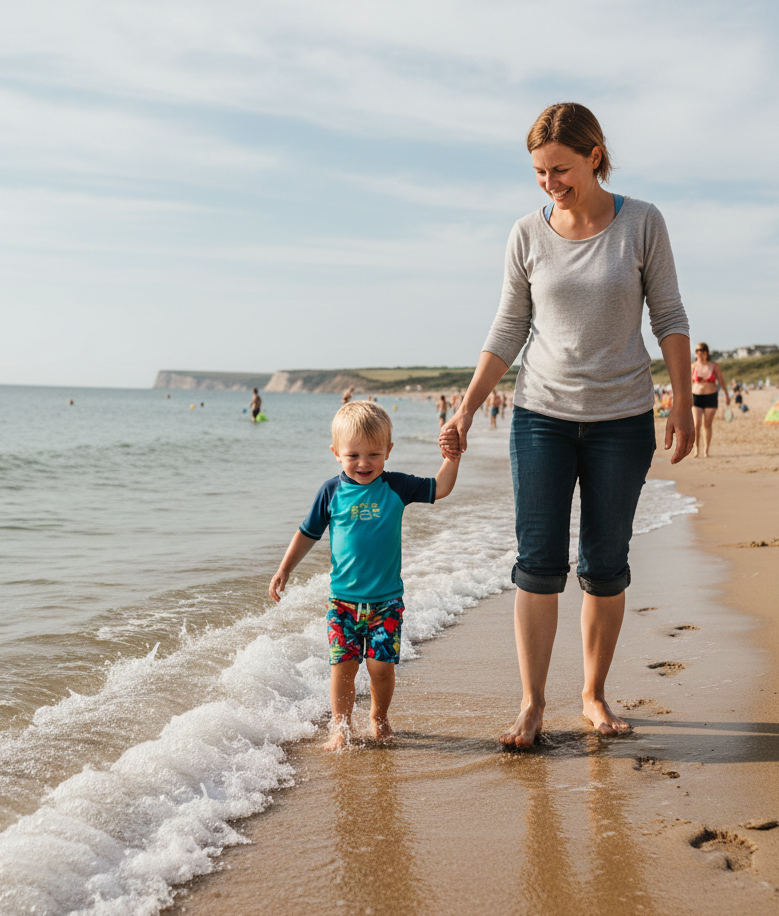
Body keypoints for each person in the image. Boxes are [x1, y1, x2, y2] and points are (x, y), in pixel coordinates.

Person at [439, 101, 694, 745]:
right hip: (540, 417)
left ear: (595, 156)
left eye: (561, 169)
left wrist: (683, 402)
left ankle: (592, 695)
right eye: (539, 172)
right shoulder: (526, 233)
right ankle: (531, 704)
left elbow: (668, 316)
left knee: (605, 563)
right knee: (537, 563)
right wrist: (468, 406)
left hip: (623, 418)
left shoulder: (642, 222)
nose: (551, 182)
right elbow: (508, 326)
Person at [269, 401, 460, 750]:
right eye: (353, 455)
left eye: (373, 454)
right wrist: (285, 569)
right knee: (342, 667)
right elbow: (307, 533)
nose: (364, 463)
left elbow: (441, 487)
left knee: (380, 669)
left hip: (387, 603)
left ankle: (379, 716)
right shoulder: (331, 492)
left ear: (388, 451)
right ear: (336, 453)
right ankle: (340, 726)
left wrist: (453, 458)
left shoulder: (397, 486)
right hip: (342, 603)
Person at [691, 343, 730, 457]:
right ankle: (696, 449)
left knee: (707, 424)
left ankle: (706, 450)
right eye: (698, 350)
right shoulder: (693, 366)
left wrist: (727, 395)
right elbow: (688, 383)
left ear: (707, 353)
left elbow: (721, 381)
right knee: (696, 424)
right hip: (696, 396)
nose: (700, 353)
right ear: (695, 353)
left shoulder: (714, 366)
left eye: (703, 351)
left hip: (710, 396)